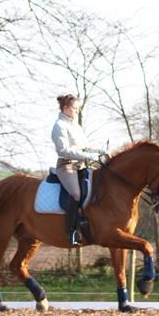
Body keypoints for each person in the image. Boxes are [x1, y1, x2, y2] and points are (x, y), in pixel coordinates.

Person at [51, 94, 105, 245]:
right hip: (66, 165)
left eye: (77, 108)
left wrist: (100, 151)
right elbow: (64, 150)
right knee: (75, 194)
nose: (76, 111)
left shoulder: (76, 126)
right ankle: (71, 231)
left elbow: (85, 146)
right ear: (66, 108)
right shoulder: (59, 126)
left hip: (81, 165)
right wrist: (88, 155)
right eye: (75, 108)